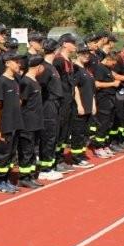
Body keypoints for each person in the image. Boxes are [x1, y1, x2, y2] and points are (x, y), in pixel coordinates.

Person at [0, 51, 23, 194]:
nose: (19, 64)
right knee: (3, 154)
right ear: (7, 63)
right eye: (16, 62)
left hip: (15, 123)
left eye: (19, 61)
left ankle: (7, 180)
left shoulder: (16, 80)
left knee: (11, 153)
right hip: (5, 125)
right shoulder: (2, 81)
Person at [36, 40, 65, 181]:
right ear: (55, 50)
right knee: (48, 137)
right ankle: (45, 169)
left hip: (55, 104)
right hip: (48, 105)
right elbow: (39, 87)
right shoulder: (45, 67)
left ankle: (50, 166)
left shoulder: (51, 67)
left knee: (53, 136)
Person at [17, 55, 45, 188]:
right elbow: (19, 102)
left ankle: (30, 175)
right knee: (26, 151)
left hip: (36, 122)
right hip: (27, 123)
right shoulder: (26, 82)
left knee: (33, 150)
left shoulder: (34, 80)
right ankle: (23, 177)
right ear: (38, 67)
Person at [53, 33, 78, 171]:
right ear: (64, 44)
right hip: (61, 101)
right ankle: (55, 160)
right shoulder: (58, 61)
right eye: (72, 43)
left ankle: (60, 157)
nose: (75, 45)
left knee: (65, 131)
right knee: (59, 130)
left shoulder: (69, 60)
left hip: (69, 101)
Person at [90, 51, 122, 158]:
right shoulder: (99, 68)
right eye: (113, 63)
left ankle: (105, 145)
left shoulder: (108, 68)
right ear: (108, 59)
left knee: (109, 123)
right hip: (103, 99)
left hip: (111, 99)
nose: (114, 65)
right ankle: (98, 147)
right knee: (102, 124)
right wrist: (113, 83)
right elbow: (97, 84)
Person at [69, 44, 95, 169]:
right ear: (78, 54)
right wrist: (79, 105)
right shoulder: (75, 69)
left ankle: (81, 154)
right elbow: (75, 88)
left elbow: (92, 89)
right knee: (78, 133)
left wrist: (93, 104)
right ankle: (76, 158)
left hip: (88, 106)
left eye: (88, 53)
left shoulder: (87, 69)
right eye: (84, 53)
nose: (86, 55)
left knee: (85, 133)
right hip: (80, 108)